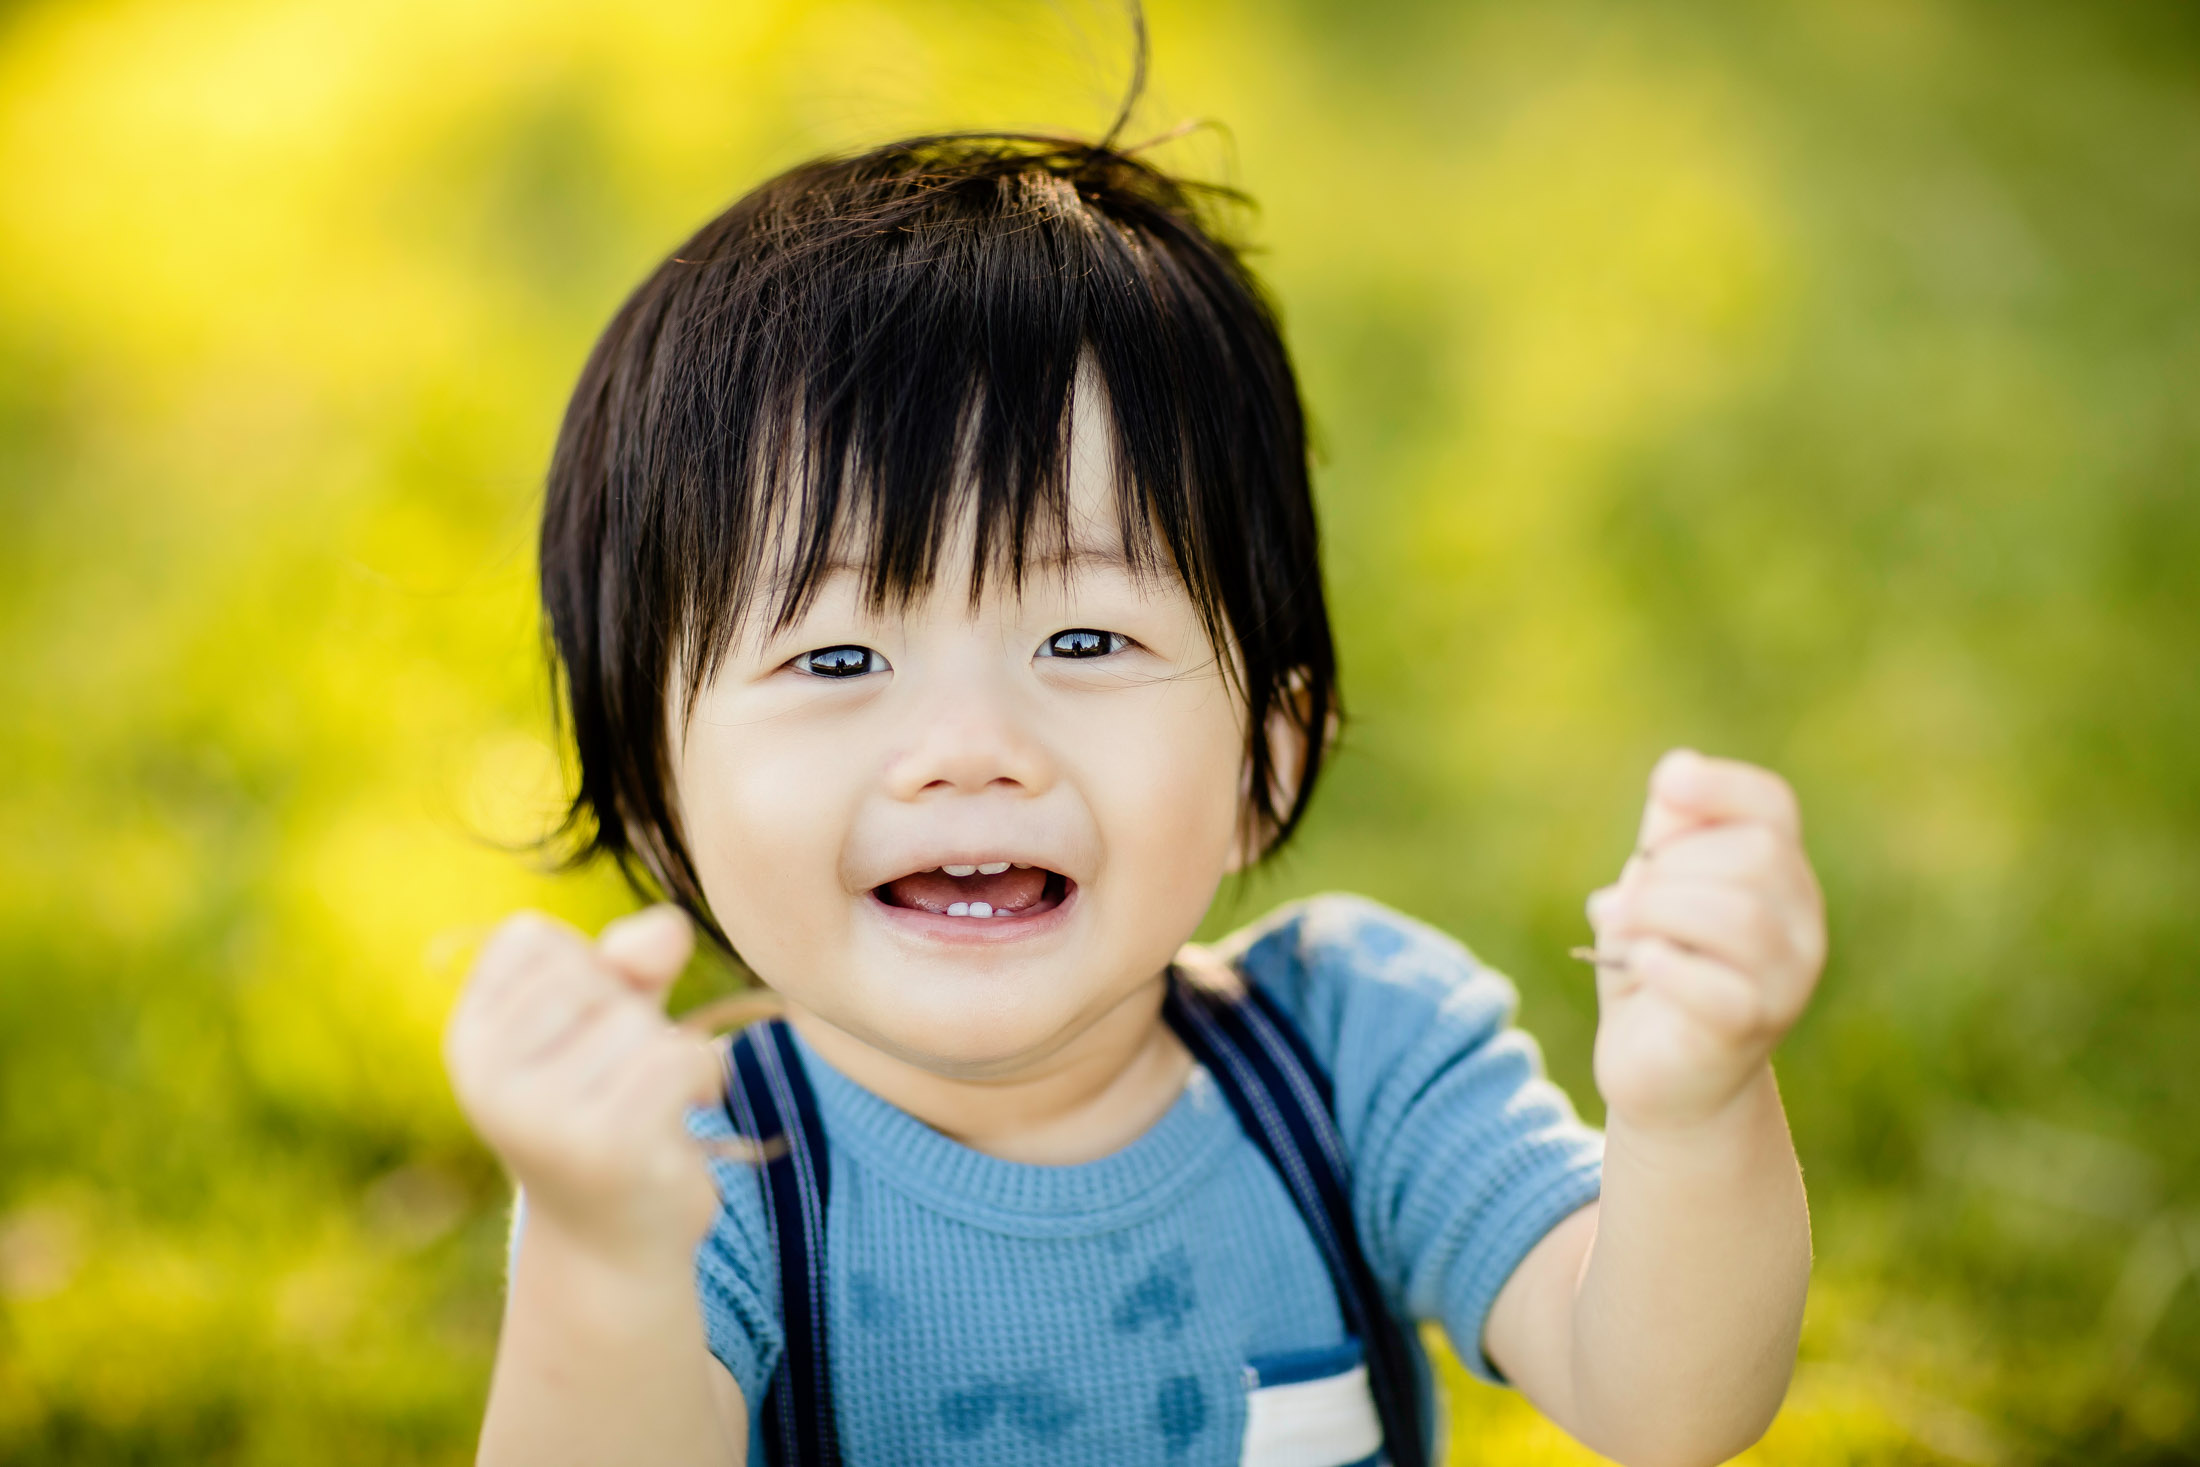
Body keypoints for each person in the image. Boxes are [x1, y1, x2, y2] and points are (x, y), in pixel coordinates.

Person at [443, 129, 1824, 1467]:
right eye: (839, 655)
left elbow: (1664, 1405)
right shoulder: (697, 1182)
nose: (971, 747)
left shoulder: (1350, 1060)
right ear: (654, 801)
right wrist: (604, 1261)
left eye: (1085, 640)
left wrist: (1694, 1110)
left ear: (1267, 760)